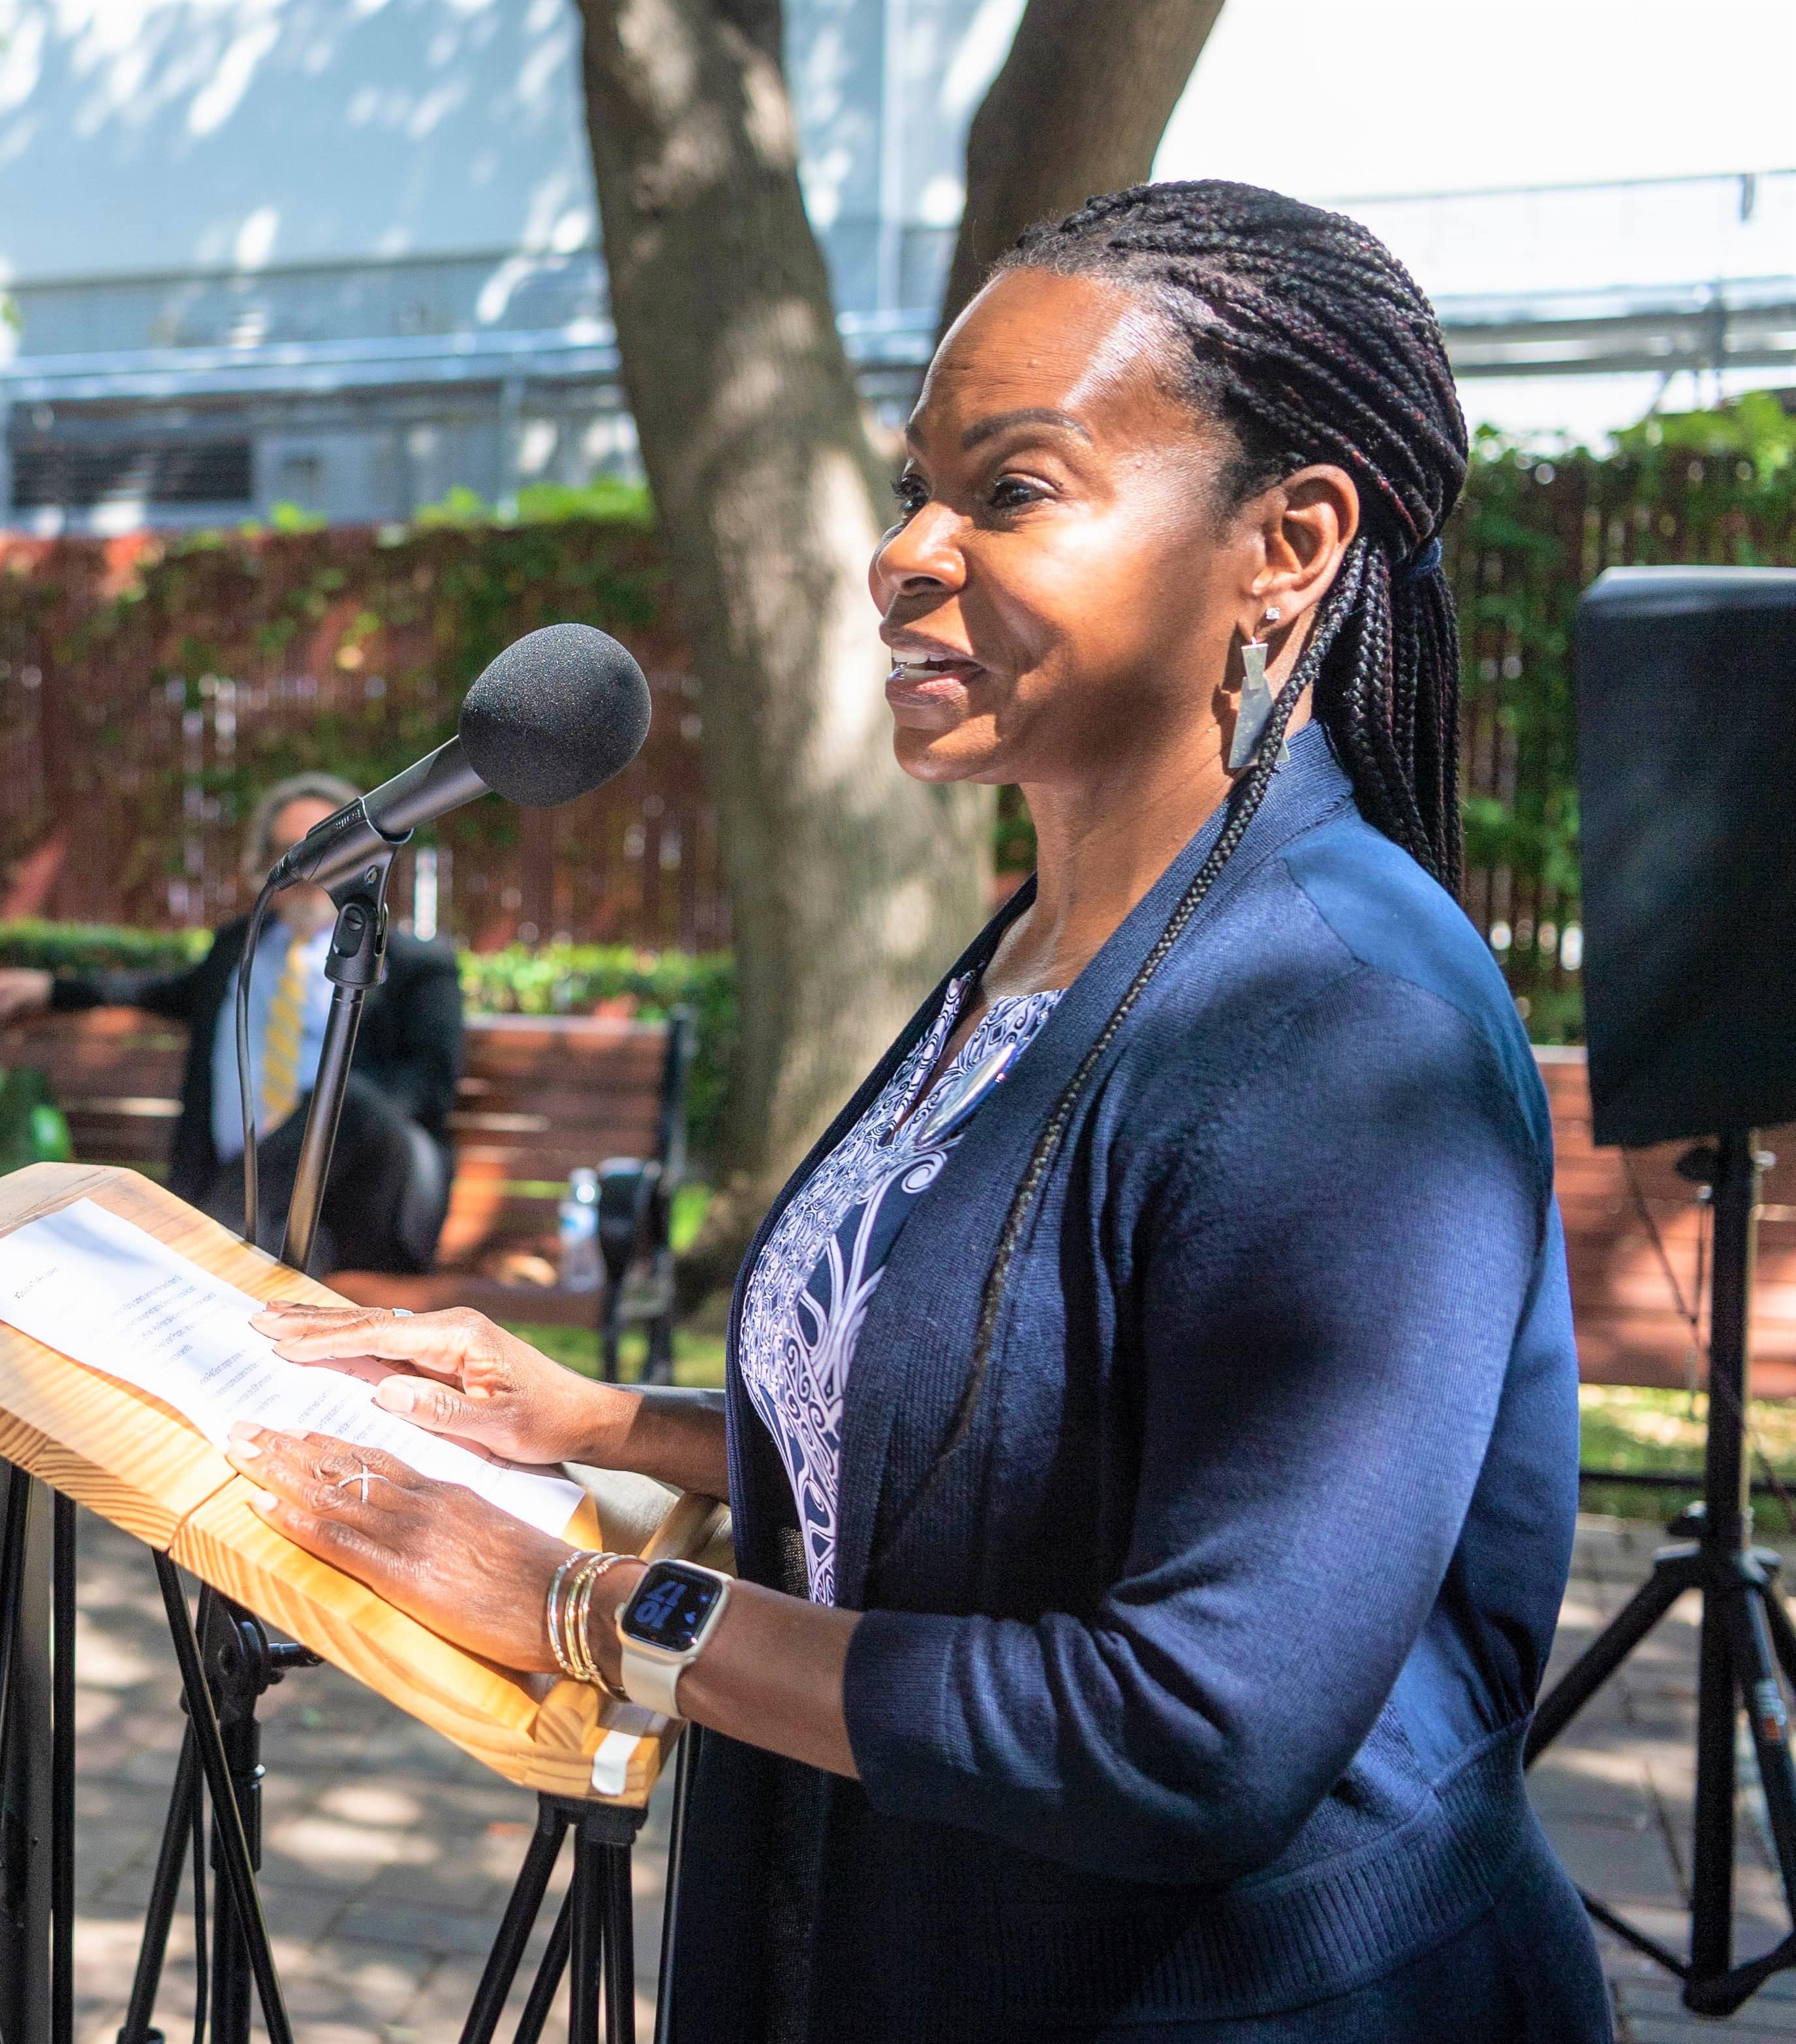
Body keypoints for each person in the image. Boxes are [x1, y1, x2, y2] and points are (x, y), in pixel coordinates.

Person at [222, 183, 1609, 2039]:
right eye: (913, 489)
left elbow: (1195, 1721)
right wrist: (593, 1413)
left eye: (1011, 490)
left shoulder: (1345, 1025)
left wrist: (594, 1603)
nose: (905, 554)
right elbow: (996, 1442)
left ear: (1289, 541)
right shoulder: (1038, 943)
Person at [0, 773, 465, 1273]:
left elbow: (430, 1087)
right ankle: (236, 1236)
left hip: (368, 1202)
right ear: (270, 864)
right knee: (277, 1249)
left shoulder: (416, 965)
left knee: (347, 1100)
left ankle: (211, 1242)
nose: (313, 868)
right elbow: (162, 992)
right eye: (292, 851)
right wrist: (52, 990)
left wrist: (307, 1125)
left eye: (330, 846)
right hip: (256, 1201)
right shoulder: (241, 946)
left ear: (364, 859)